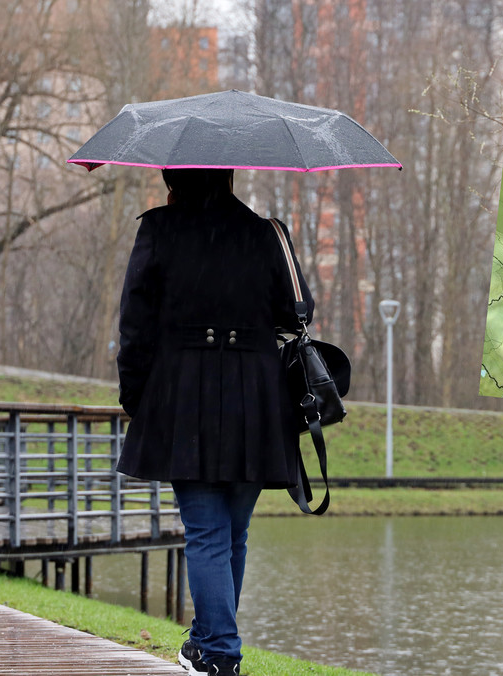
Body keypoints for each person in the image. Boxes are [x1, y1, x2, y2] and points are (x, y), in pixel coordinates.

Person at [115, 167, 313, 676]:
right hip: (256, 396)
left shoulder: (158, 229)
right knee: (231, 533)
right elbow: (298, 312)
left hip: (185, 394)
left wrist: (135, 395)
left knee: (207, 532)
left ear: (173, 177)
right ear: (229, 174)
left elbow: (134, 323)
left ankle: (220, 654)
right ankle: (205, 644)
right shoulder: (265, 232)